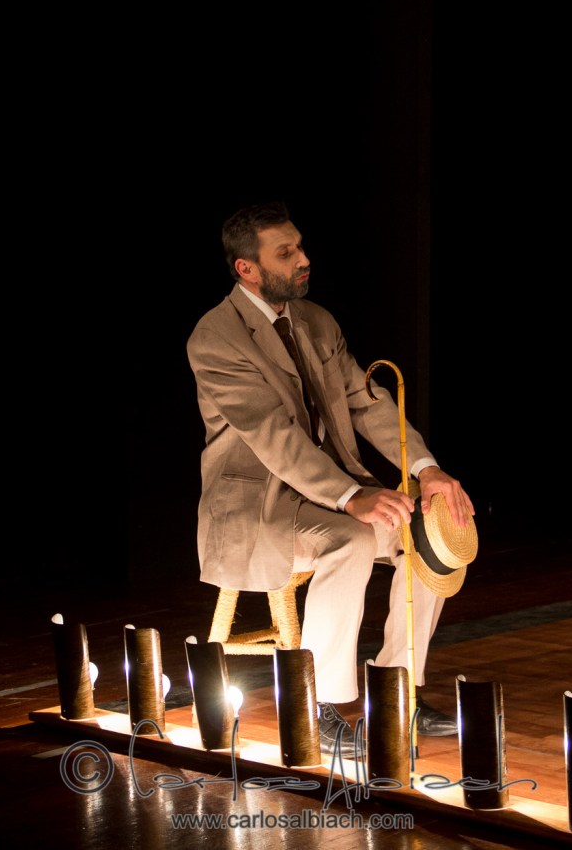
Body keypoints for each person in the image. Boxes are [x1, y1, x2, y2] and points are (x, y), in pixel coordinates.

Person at [187, 200, 475, 755]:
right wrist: (350, 497)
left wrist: (427, 470)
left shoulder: (315, 321)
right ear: (246, 268)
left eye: (300, 247)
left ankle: (397, 692)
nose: (303, 259)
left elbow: (368, 402)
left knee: (430, 531)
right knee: (352, 539)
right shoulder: (215, 337)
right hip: (259, 507)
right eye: (285, 253)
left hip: (329, 494)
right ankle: (317, 706)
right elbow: (274, 435)